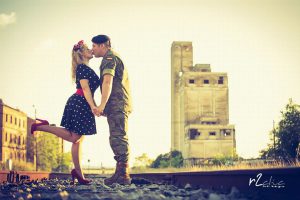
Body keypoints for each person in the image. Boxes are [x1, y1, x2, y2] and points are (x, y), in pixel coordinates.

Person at [30, 40, 100, 185]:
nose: (91, 50)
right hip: (80, 103)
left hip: (82, 103)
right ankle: (40, 126)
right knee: (75, 138)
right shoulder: (82, 68)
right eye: (88, 49)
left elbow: (89, 91)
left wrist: (93, 105)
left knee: (78, 140)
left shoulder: (85, 68)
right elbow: (86, 89)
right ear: (81, 53)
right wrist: (93, 106)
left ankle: (78, 174)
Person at [91, 35, 133, 185]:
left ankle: (123, 175)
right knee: (116, 136)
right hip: (116, 104)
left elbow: (107, 81)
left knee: (118, 137)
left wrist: (102, 105)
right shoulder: (111, 57)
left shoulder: (110, 58)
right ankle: (121, 172)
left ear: (103, 45)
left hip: (118, 104)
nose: (92, 49)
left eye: (94, 46)